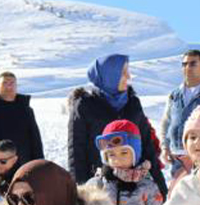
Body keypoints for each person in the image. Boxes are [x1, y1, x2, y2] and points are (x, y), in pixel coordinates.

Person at [68, 54, 167, 195]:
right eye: (123, 72)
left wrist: (161, 189)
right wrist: (80, 193)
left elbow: (147, 147)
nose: (129, 76)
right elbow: (77, 154)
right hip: (100, 187)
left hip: (135, 189)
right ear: (110, 76)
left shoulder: (133, 103)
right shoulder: (84, 105)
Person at [160, 50, 200, 178]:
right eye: (184, 64)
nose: (187, 67)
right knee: (178, 190)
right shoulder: (175, 95)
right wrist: (165, 147)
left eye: (193, 64)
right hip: (178, 158)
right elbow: (166, 122)